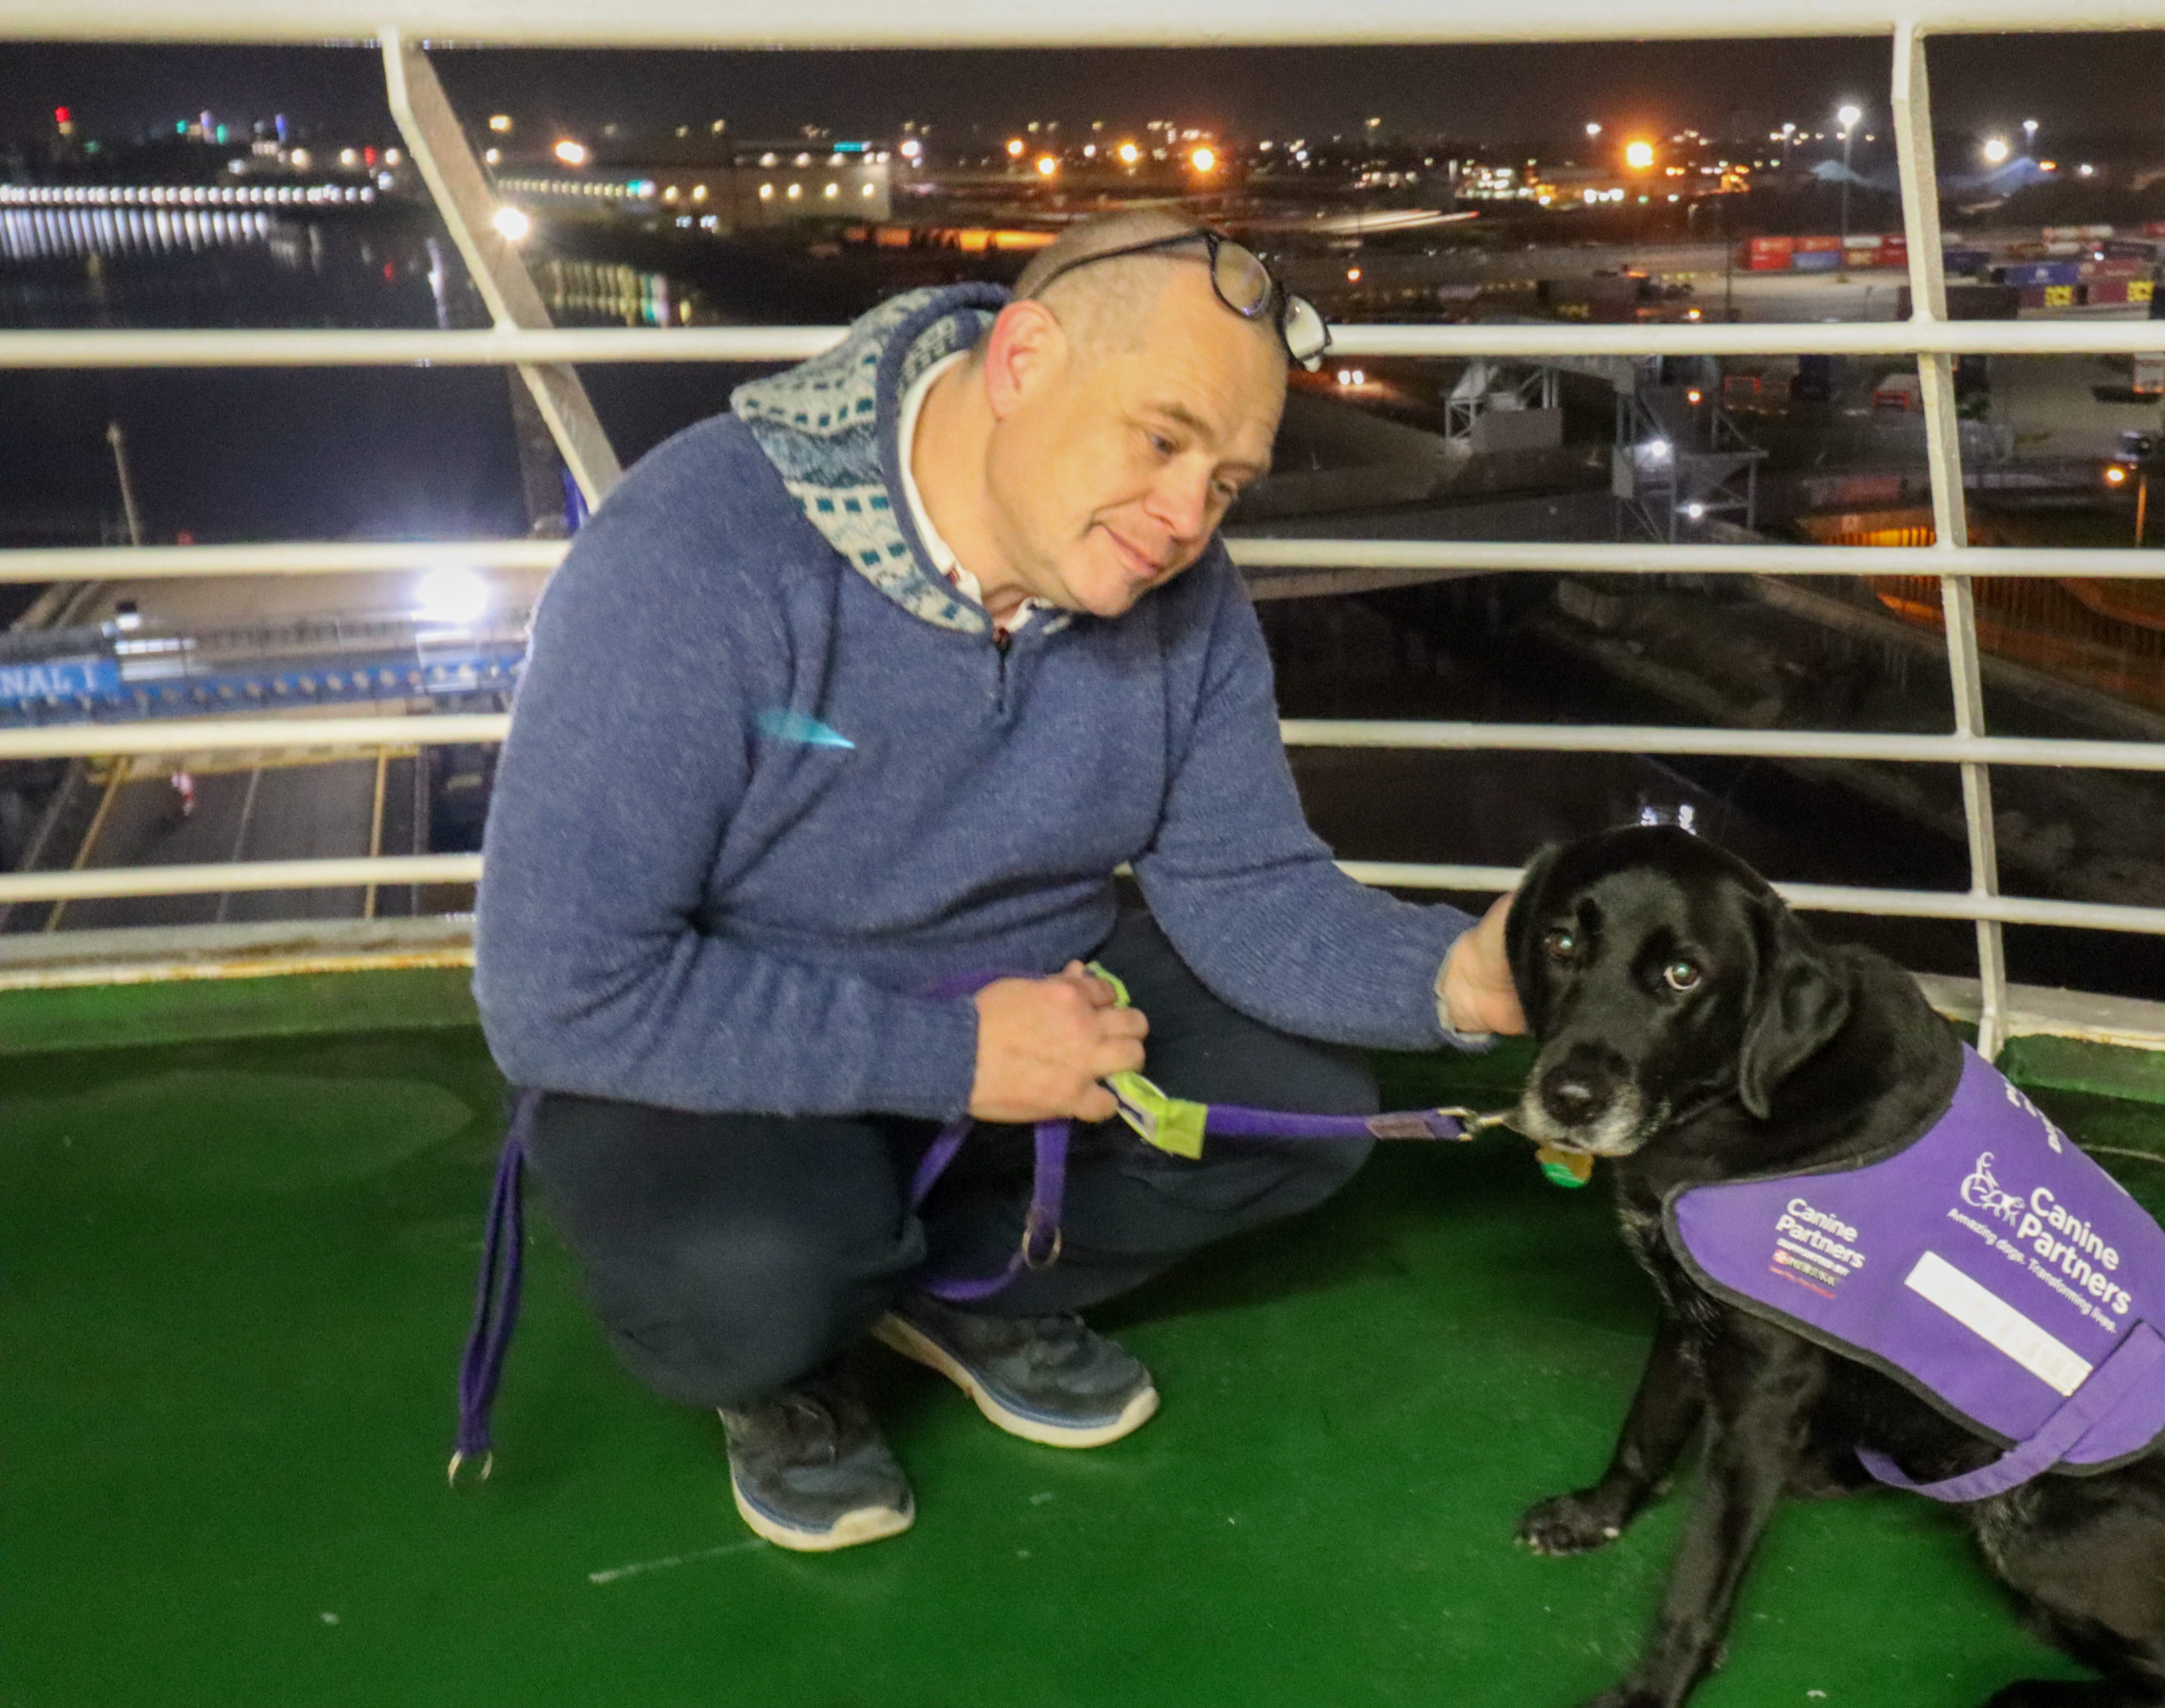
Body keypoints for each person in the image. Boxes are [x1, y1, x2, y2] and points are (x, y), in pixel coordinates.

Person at [473, 208, 1523, 1552]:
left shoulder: (1176, 589)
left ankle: (966, 1281)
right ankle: (795, 1367)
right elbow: (556, 993)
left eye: (1229, 483)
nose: (1186, 520)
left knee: (1300, 1108)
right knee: (749, 1283)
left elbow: (1246, 884)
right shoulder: (695, 555)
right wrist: (955, 1060)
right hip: (745, 1038)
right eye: (1162, 440)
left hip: (1035, 1008)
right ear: (1022, 362)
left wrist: (1454, 976)